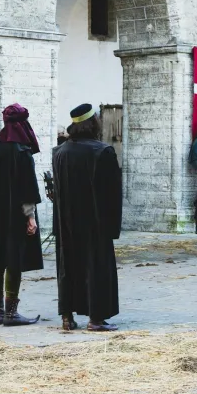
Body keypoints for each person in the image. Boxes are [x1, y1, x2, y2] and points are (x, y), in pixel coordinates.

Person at [53, 103, 122, 332]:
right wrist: (112, 227)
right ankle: (96, 318)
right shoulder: (103, 151)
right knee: (95, 267)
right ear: (93, 123)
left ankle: (67, 317)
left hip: (66, 221)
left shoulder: (60, 152)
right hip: (95, 222)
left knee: (69, 266)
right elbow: (111, 195)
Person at [0, 104, 43, 327]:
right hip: (15, 215)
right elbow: (28, 188)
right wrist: (30, 217)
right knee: (13, 260)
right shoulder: (21, 151)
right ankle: (11, 314)